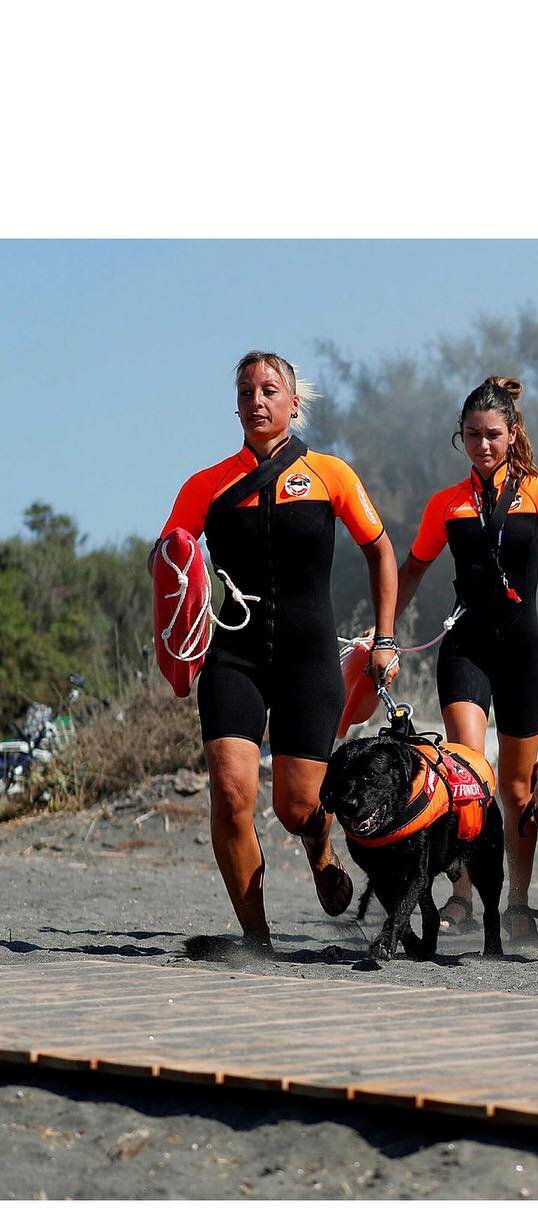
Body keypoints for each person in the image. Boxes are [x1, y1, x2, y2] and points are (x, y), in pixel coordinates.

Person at [156, 350, 399, 947]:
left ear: (294, 402)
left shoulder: (331, 474)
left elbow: (381, 551)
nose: (257, 401)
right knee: (232, 790)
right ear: (235, 405)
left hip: (308, 658)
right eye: (246, 392)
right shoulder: (206, 484)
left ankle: (318, 850)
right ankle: (256, 938)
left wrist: (385, 638)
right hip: (233, 654)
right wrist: (177, 635)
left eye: (269, 390)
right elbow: (170, 558)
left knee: (296, 806)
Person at [394, 376, 538, 941]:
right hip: (465, 650)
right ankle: (464, 894)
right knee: (469, 772)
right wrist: (383, 628)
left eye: (493, 435)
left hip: (522, 654)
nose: (483, 445)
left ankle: (515, 904)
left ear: (512, 435)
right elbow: (413, 567)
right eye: (472, 436)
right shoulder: (447, 504)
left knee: (517, 790)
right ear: (460, 438)